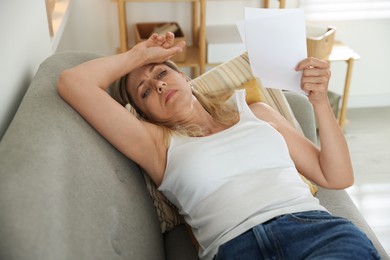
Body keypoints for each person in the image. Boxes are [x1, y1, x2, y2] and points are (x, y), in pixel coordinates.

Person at [57, 32, 380, 260]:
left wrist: (320, 101)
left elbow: (335, 177)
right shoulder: (155, 144)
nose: (157, 84)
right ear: (144, 114)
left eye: (162, 73)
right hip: (236, 248)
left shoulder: (254, 111)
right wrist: (141, 56)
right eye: (144, 92)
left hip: (316, 233)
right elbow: (73, 82)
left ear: (184, 78)